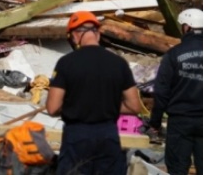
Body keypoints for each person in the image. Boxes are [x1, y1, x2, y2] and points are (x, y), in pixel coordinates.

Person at [46, 11, 142, 175]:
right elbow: (134, 106)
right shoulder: (119, 63)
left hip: (77, 136)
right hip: (107, 135)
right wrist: (104, 106)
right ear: (97, 34)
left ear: (76, 35)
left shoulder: (66, 63)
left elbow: (52, 108)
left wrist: (77, 105)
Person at [148, 8, 202, 175]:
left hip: (180, 121)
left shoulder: (173, 54)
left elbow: (162, 91)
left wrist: (155, 122)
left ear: (186, 27)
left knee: (178, 168)